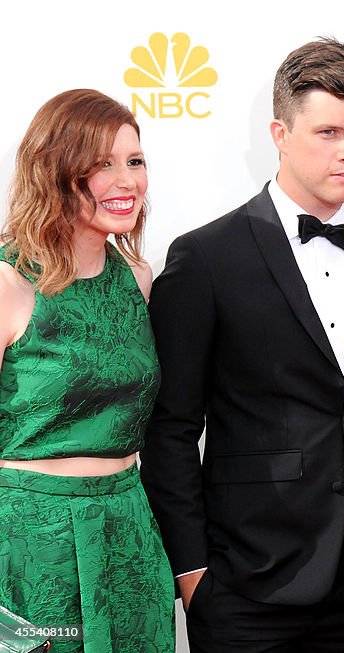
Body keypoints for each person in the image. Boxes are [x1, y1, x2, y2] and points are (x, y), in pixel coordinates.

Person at [139, 38, 344, 652]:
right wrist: (194, 575)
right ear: (280, 132)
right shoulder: (205, 258)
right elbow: (170, 429)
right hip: (247, 584)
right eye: (327, 132)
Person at [0, 89, 174, 651]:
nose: (126, 181)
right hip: (30, 540)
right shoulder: (8, 282)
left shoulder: (137, 278)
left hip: (128, 528)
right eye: (102, 164)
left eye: (134, 161)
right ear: (57, 170)